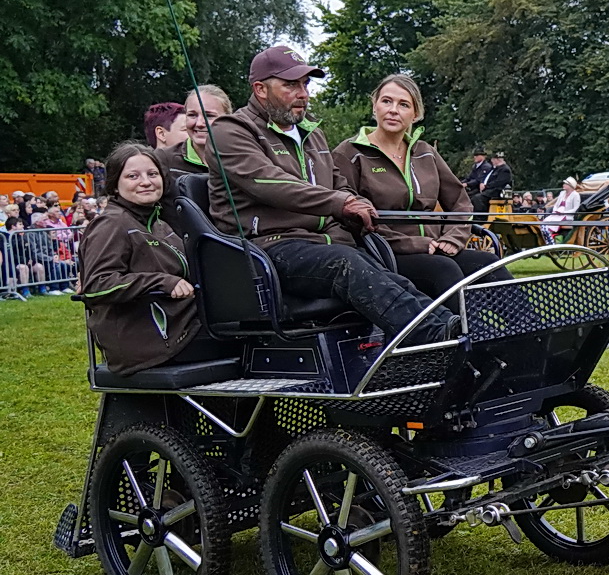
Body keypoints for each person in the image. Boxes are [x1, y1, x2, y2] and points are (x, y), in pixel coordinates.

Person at [204, 45, 454, 342]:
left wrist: (355, 201)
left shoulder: (312, 135)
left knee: (387, 275)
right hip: (269, 248)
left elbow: (337, 182)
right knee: (348, 264)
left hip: (328, 244)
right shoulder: (230, 130)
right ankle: (432, 338)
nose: (303, 93)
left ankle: (454, 329)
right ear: (260, 89)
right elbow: (271, 183)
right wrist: (343, 202)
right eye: (291, 85)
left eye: (306, 84)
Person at [333, 74, 498, 299]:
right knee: (443, 269)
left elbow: (460, 201)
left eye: (403, 104)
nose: (393, 110)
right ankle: (464, 332)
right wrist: (413, 243)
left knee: (488, 263)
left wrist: (453, 237)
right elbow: (350, 216)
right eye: (386, 101)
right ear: (375, 107)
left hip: (436, 247)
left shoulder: (426, 152)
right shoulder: (349, 153)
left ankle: (530, 333)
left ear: (416, 114)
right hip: (383, 254)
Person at [75, 144, 220, 375]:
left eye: (152, 174)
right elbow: (96, 286)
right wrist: (162, 281)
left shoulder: (159, 224)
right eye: (133, 176)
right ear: (114, 184)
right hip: (148, 344)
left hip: (185, 326)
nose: (146, 182)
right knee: (252, 346)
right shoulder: (112, 224)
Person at [175, 83, 233, 173]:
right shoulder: (165, 160)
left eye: (209, 116)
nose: (199, 123)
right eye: (192, 115)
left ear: (228, 119)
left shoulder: (244, 157)